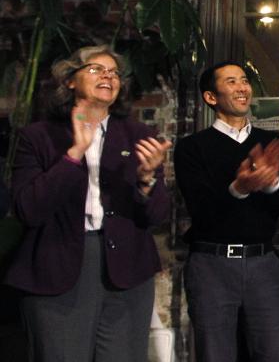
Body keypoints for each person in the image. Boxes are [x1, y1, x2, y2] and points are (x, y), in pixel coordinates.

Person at [5, 44, 171, 361]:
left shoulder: (138, 135)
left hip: (127, 272)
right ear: (70, 81)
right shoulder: (38, 137)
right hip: (57, 267)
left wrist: (147, 180)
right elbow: (29, 209)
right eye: (96, 69)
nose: (107, 75)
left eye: (114, 72)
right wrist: (74, 155)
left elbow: (157, 216)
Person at [174, 61, 279, 362]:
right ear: (211, 97)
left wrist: (271, 182)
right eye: (231, 82)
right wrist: (240, 187)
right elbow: (201, 210)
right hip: (211, 265)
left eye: (244, 81)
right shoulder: (192, 147)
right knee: (215, 354)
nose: (242, 87)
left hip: (263, 263)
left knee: (278, 353)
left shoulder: (275, 142)